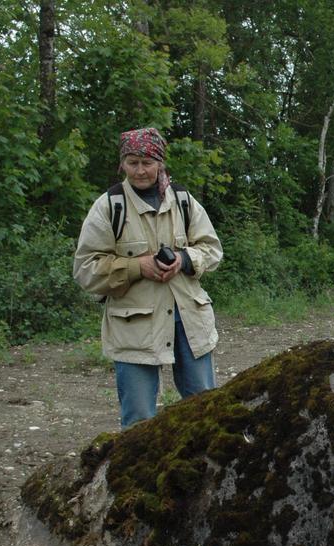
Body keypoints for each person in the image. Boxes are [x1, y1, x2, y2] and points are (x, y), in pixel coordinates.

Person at [74, 127, 223, 428]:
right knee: (139, 420)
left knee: (204, 409)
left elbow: (212, 249)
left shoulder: (183, 200)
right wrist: (137, 267)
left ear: (161, 163)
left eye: (147, 162)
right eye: (132, 162)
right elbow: (85, 269)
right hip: (135, 328)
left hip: (189, 320)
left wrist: (183, 259)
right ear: (122, 165)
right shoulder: (109, 207)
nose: (140, 171)